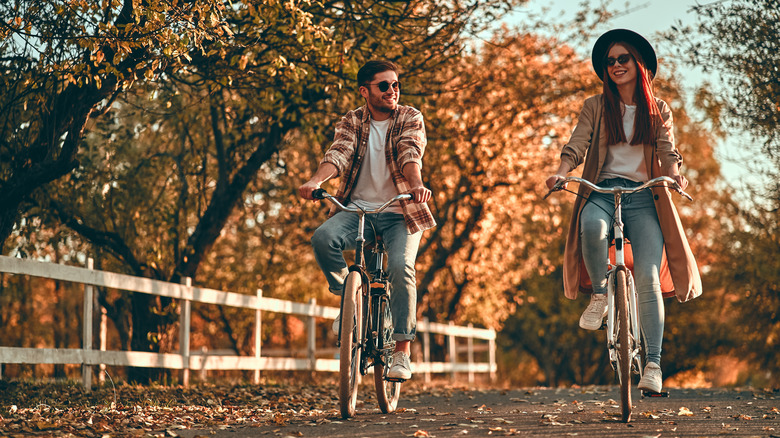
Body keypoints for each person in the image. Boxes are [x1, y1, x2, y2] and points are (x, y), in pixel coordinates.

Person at [545, 29, 702, 393]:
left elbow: (668, 151)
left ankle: (653, 364)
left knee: (647, 277)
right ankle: (601, 295)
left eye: (622, 59)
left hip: (646, 196)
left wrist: (676, 176)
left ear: (638, 64)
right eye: (610, 61)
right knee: (592, 227)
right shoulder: (595, 106)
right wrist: (562, 172)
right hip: (603, 188)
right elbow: (577, 144)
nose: (615, 65)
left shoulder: (658, 109)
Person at [299, 60, 435, 381]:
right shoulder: (353, 121)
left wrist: (416, 185)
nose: (392, 91)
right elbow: (339, 153)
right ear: (365, 91)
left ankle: (401, 352)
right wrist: (316, 181)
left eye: (396, 85)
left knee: (400, 267)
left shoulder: (409, 117)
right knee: (322, 238)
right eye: (384, 86)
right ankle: (350, 305)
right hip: (356, 211)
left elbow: (409, 151)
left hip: (400, 211)